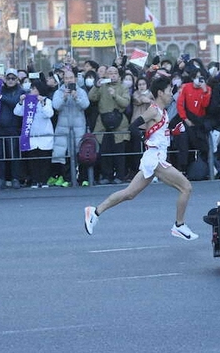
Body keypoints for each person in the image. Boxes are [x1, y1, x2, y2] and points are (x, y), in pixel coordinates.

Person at [83, 76, 199, 241]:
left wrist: (174, 132)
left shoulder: (163, 112)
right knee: (186, 187)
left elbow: (158, 134)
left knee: (129, 194)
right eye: (168, 91)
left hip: (154, 157)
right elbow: (133, 126)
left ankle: (94, 211)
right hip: (155, 158)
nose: (171, 94)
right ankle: (179, 225)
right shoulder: (153, 110)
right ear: (160, 93)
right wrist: (145, 140)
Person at [13, 80, 55, 188]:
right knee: (33, 159)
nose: (31, 90)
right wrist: (21, 102)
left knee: (44, 159)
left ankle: (44, 180)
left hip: (45, 135)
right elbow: (17, 112)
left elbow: (49, 114)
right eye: (31, 88)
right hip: (31, 135)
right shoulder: (28, 101)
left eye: (34, 88)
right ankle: (35, 180)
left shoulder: (47, 100)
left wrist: (43, 103)